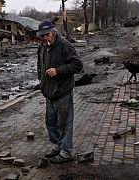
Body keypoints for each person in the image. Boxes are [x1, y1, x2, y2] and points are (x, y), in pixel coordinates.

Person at [37, 21, 83, 164]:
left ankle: (66, 152)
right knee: (51, 122)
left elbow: (77, 65)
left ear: (53, 32)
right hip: (49, 92)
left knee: (64, 123)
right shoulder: (42, 47)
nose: (45, 38)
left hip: (63, 91)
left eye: (47, 35)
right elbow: (40, 66)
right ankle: (57, 145)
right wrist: (42, 82)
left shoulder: (64, 45)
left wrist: (58, 71)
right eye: (42, 36)